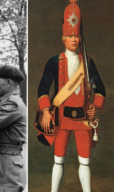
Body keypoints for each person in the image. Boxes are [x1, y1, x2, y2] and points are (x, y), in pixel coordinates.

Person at [36, 1, 106, 191]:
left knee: (84, 162)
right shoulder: (53, 61)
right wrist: (45, 111)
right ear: (63, 38)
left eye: (76, 36)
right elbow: (43, 89)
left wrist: (95, 106)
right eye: (70, 36)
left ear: (80, 38)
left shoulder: (88, 62)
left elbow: (101, 90)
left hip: (83, 119)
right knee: (58, 161)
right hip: (61, 118)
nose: (74, 39)